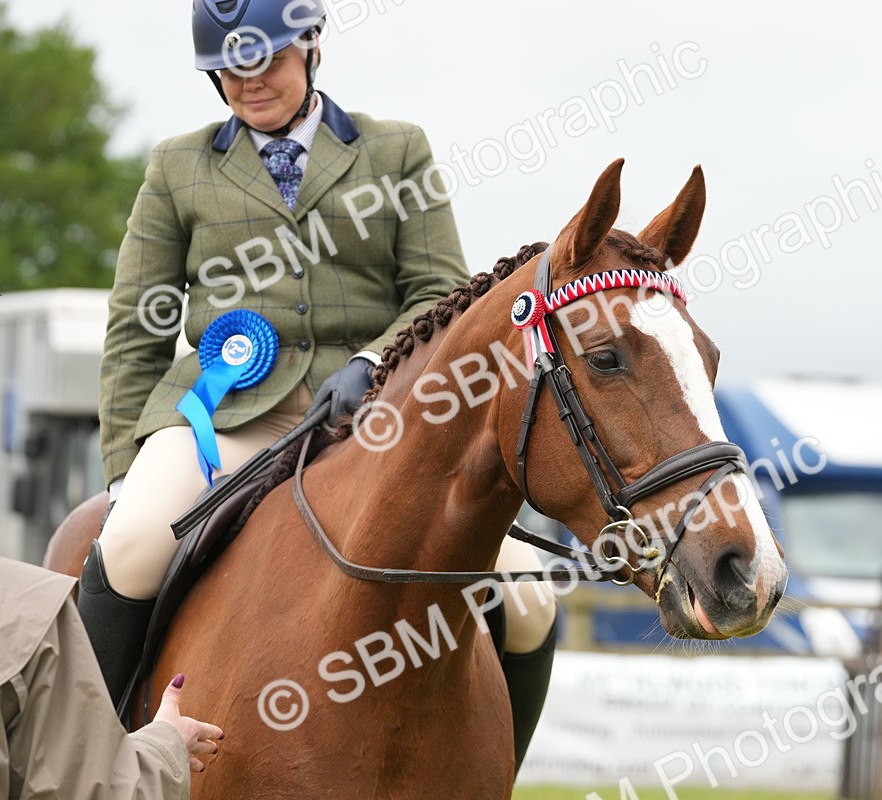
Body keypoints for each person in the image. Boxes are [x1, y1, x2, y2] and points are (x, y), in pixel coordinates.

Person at [84, 0, 557, 768]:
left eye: (266, 59)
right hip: (228, 416)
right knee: (131, 546)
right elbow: (139, 324)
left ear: (309, 45)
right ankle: (88, 766)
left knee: (530, 596)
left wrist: (371, 362)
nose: (250, 82)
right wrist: (118, 473)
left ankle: (493, 768)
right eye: (229, 70)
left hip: (372, 421)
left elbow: (440, 294)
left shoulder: (396, 149)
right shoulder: (178, 165)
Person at [0, 307, 223, 797]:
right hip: (209, 412)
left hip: (356, 394)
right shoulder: (24, 613)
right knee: (128, 542)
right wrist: (165, 749)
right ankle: (103, 717)